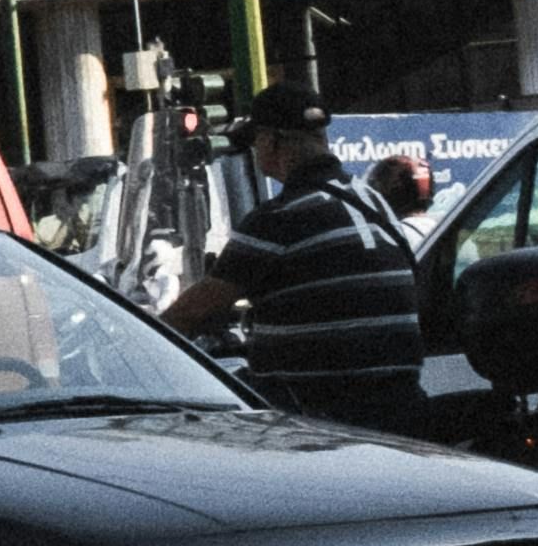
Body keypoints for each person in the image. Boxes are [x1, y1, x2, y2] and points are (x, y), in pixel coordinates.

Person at [175, 80, 427, 431]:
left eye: (255, 141)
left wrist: (133, 346)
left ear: (271, 141)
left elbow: (192, 312)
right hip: (402, 407)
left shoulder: (279, 218)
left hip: (319, 418)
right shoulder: (373, 202)